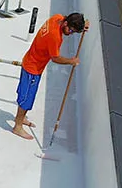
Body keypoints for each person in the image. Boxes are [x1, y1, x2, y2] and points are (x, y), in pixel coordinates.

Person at [12, 12, 88, 140]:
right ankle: (17, 126)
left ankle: (21, 117)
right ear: (65, 23)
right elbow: (55, 58)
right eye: (70, 29)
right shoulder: (55, 37)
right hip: (32, 68)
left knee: (27, 96)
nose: (70, 33)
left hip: (33, 62)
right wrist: (71, 61)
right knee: (26, 99)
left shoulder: (57, 17)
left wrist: (83, 24)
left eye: (73, 32)